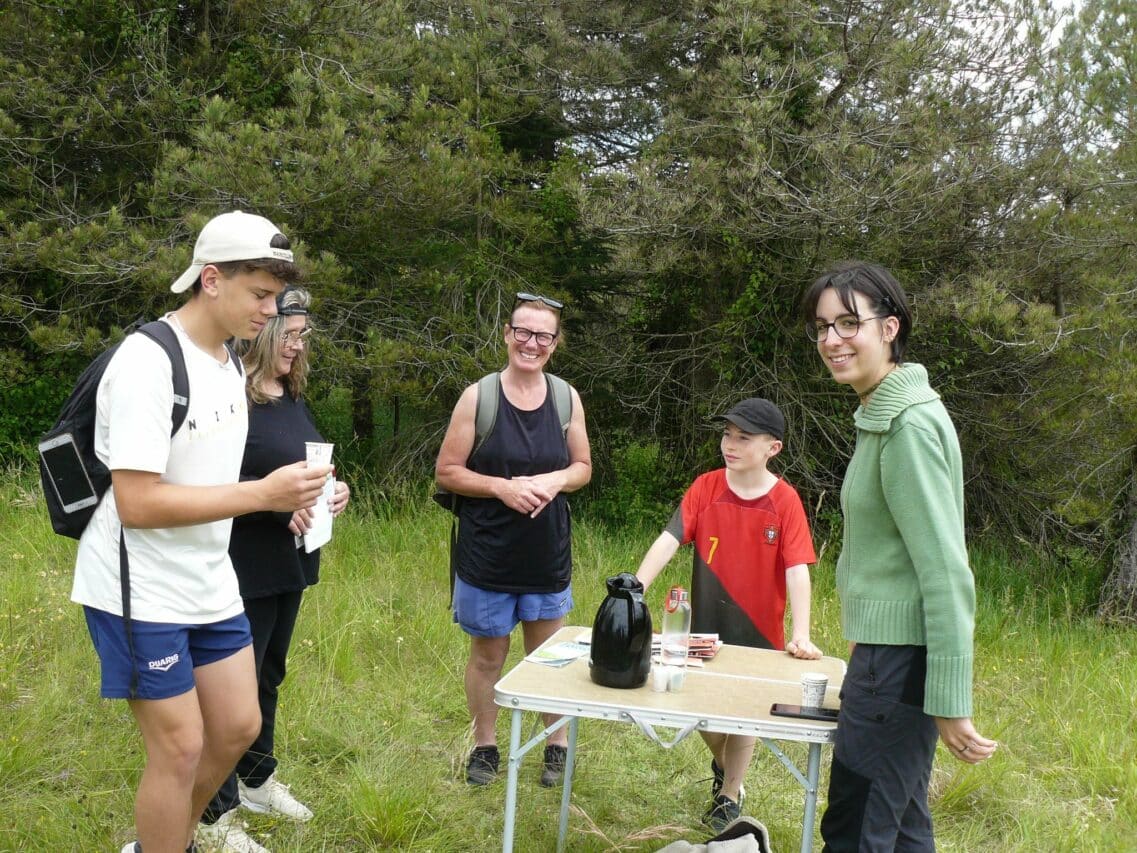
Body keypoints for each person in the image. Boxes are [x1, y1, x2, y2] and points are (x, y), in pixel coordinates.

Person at [69, 211, 333, 853]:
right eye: (260, 294)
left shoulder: (227, 363)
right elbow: (137, 502)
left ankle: (165, 839)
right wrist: (263, 495)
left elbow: (213, 475)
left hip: (209, 577)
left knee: (238, 725)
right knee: (181, 745)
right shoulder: (149, 361)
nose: (271, 311)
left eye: (276, 297)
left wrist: (290, 499)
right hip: (139, 586)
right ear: (211, 280)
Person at [799, 261, 997, 851]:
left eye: (848, 323)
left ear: (890, 328)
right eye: (822, 326)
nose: (832, 339)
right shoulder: (881, 416)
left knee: (856, 828)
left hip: (898, 665)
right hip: (884, 657)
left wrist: (950, 700)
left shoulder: (907, 427)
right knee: (903, 827)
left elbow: (945, 570)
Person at [199, 287, 351, 851]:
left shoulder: (288, 394)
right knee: (229, 691)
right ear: (262, 332)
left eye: (303, 336)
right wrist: (274, 504)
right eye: (289, 335)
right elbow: (207, 483)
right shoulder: (228, 394)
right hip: (241, 564)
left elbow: (300, 468)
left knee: (268, 674)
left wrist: (333, 491)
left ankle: (257, 781)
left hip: (292, 560)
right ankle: (215, 814)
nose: (297, 346)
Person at [635, 397, 822, 831]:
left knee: (742, 714)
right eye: (727, 434)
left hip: (759, 634)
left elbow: (797, 569)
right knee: (702, 710)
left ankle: (729, 795)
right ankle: (724, 765)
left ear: (772, 448)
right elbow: (669, 539)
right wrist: (635, 587)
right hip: (704, 629)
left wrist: (802, 632)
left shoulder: (785, 501)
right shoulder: (706, 487)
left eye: (743, 438)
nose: (730, 445)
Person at [435, 292, 591, 788]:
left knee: (548, 657)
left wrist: (555, 480)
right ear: (507, 334)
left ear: (555, 343)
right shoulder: (478, 397)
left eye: (543, 336)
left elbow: (582, 467)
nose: (532, 343)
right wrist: (502, 488)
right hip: (487, 555)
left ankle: (556, 746)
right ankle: (485, 746)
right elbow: (447, 472)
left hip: (546, 554)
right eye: (523, 332)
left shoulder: (566, 398)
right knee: (488, 657)